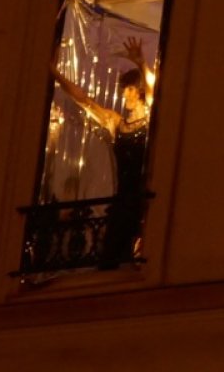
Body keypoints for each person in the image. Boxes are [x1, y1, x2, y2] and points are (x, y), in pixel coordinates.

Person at [48, 36, 151, 267]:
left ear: (140, 92)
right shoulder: (116, 123)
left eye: (131, 89)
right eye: (125, 89)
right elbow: (83, 100)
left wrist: (142, 63)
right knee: (113, 257)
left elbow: (154, 90)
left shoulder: (151, 121)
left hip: (143, 199)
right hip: (122, 199)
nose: (126, 94)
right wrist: (54, 73)